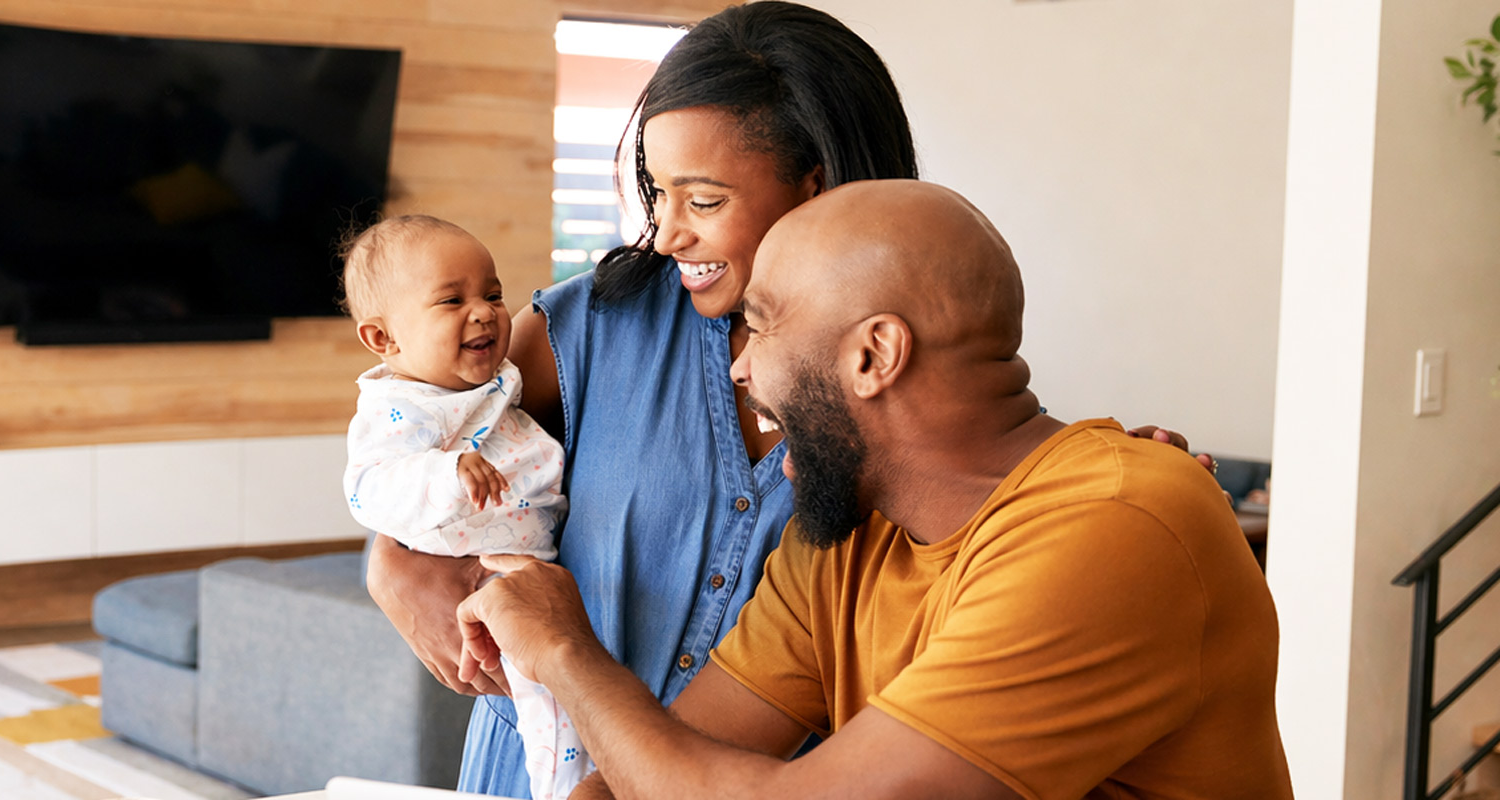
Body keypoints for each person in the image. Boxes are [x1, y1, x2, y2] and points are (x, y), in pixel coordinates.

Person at [362, 4, 1212, 796]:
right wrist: (393, 561)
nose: (664, 233)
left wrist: (1103, 493)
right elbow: (412, 430)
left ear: (814, 183)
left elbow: (983, 481)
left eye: (705, 199)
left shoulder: (900, 415)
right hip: (561, 764)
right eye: (658, 195)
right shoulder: (594, 326)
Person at [456, 180, 1294, 800]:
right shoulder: (846, 538)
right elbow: (652, 775)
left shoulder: (1117, 524)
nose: (740, 366)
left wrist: (564, 650)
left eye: (765, 322)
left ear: (874, 355)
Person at [337, 215, 587, 799]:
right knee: (551, 710)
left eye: (493, 294)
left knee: (566, 699)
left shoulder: (491, 384)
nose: (484, 311)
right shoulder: (399, 408)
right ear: (384, 339)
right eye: (452, 300)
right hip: (488, 584)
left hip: (534, 569)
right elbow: (367, 489)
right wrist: (445, 472)